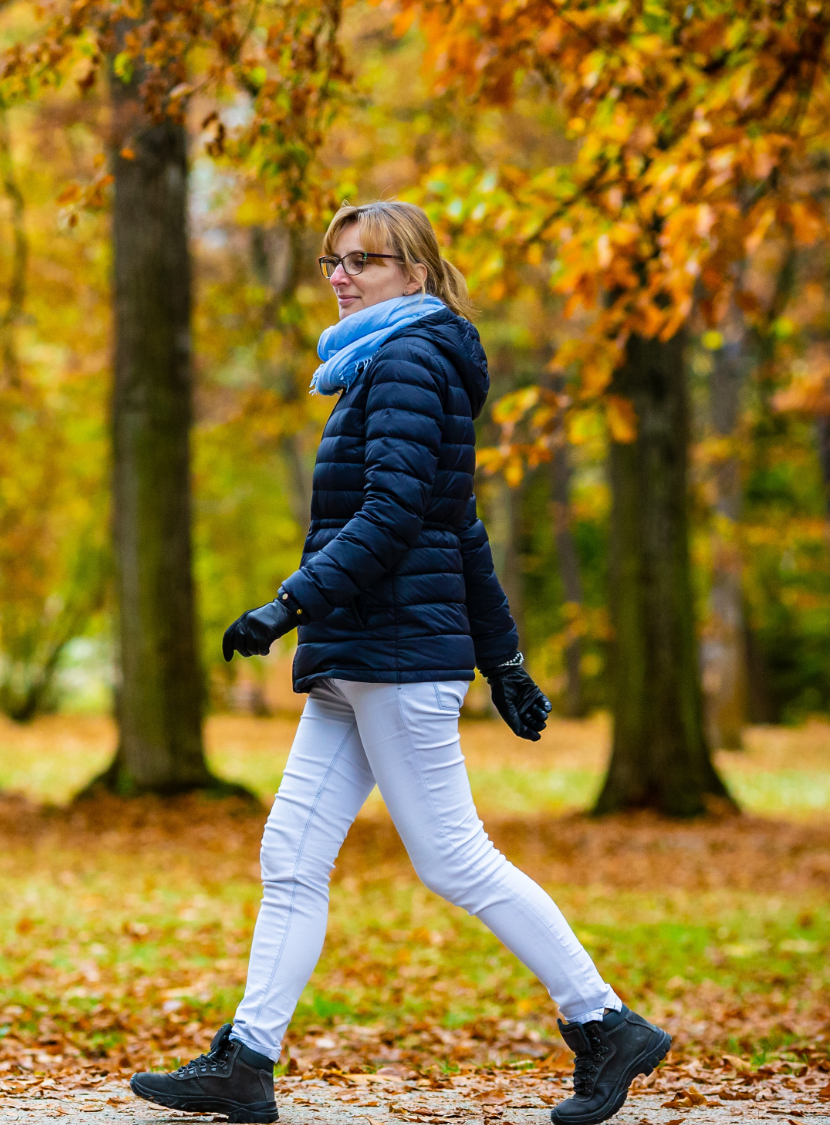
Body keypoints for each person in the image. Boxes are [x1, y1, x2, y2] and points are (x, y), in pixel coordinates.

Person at [127, 201, 671, 1125]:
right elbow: (456, 525)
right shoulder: (379, 363)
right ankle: (248, 1060)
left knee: (455, 858)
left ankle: (606, 1022)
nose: (342, 274)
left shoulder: (412, 360)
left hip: (394, 652)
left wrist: (287, 604)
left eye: (365, 260)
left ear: (414, 274)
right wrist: (504, 659)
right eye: (333, 260)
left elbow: (390, 517)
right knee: (291, 855)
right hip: (364, 653)